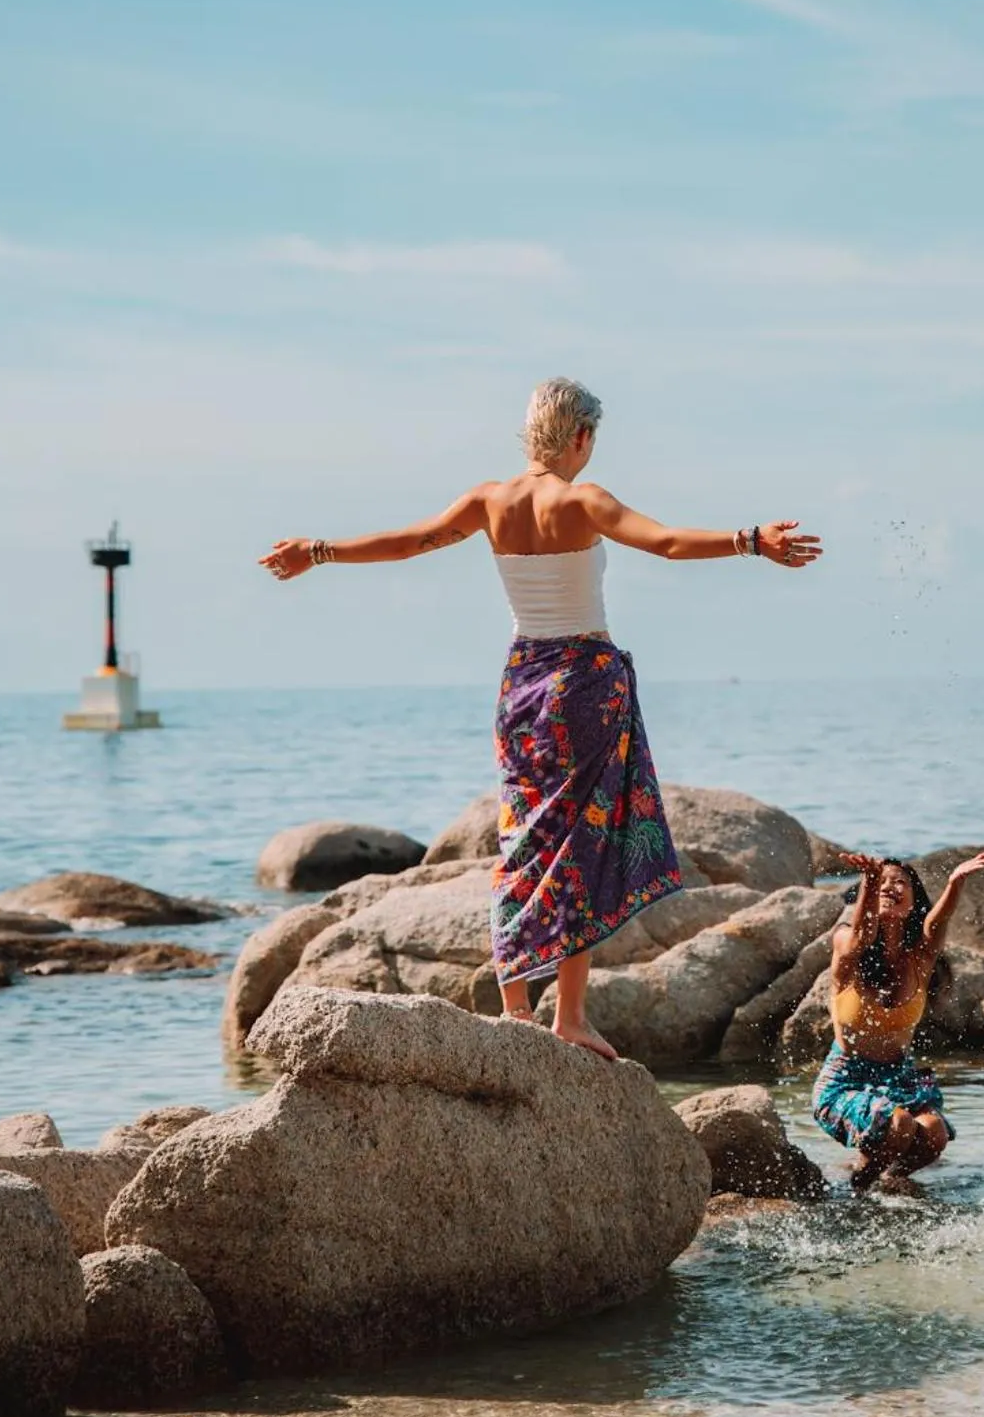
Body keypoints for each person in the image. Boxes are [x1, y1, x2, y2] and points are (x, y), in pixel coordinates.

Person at [259, 377, 822, 1060]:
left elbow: (407, 543)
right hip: (583, 684)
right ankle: (570, 1017)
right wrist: (751, 540)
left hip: (523, 686)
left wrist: (317, 551)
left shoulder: (489, 500)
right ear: (580, 435)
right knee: (578, 845)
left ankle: (515, 1007)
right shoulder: (582, 500)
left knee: (523, 836)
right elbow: (668, 543)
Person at [813, 849, 984, 1188]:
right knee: (899, 1125)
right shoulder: (846, 943)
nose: (889, 886)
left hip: (900, 1075)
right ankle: (860, 1185)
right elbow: (862, 936)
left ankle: (889, 1180)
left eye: (900, 882)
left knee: (935, 1134)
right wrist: (869, 880)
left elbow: (936, 924)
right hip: (846, 1080)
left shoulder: (919, 958)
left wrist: (954, 884)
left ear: (913, 902)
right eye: (882, 881)